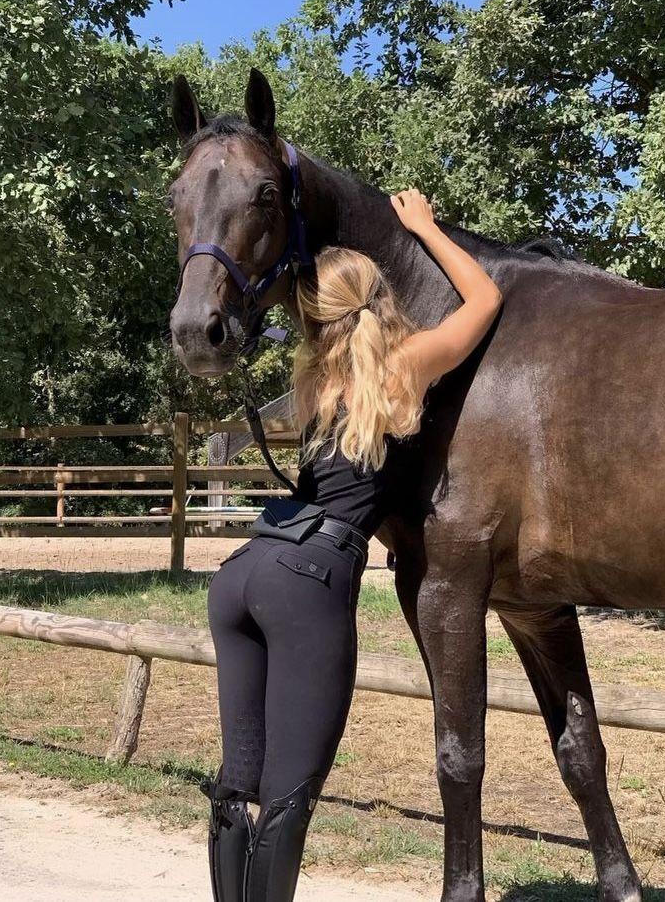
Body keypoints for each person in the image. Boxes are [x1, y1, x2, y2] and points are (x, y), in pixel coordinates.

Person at [199, 188, 503, 902]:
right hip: (308, 580)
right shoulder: (402, 368)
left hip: (244, 571)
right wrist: (426, 227)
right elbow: (486, 299)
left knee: (237, 782)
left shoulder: (313, 380)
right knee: (288, 796)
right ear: (378, 297)